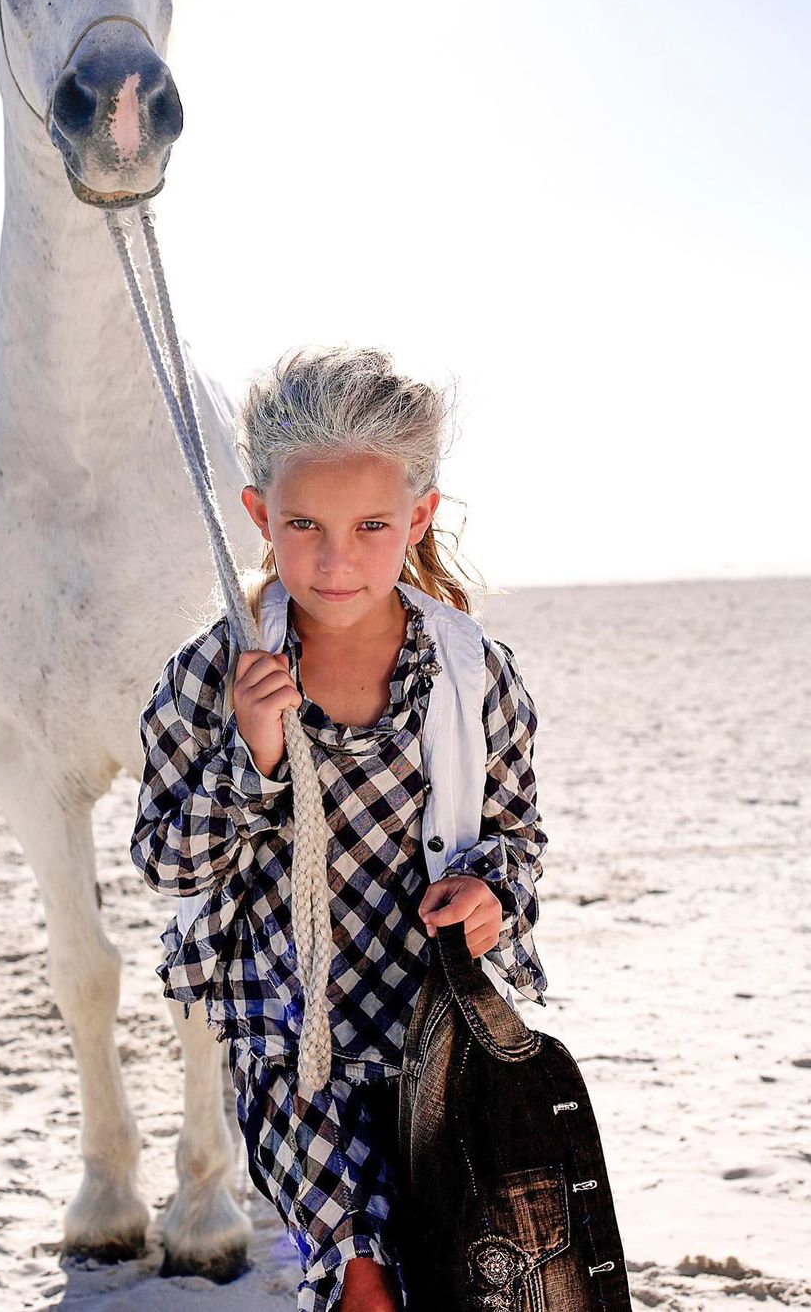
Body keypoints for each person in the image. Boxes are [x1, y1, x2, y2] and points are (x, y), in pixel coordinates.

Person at [130, 345, 548, 1312]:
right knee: (362, 1281)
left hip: (435, 1035)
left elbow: (517, 842)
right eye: (303, 525)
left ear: (419, 518)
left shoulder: (471, 672)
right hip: (292, 1044)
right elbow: (167, 863)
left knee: (452, 1280)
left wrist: (491, 896)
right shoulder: (212, 672)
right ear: (258, 516)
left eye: (371, 527)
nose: (335, 560)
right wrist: (253, 753)